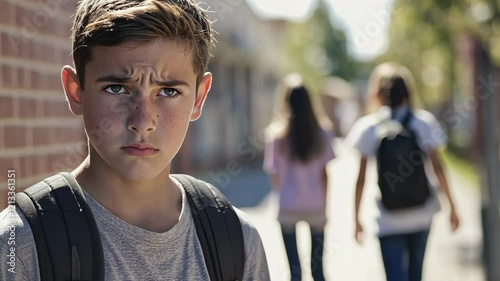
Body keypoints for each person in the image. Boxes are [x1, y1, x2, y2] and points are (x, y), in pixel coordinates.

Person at [0, 0, 270, 280]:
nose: (142, 122)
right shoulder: (19, 245)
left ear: (199, 98)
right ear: (75, 91)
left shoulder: (236, 239)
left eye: (168, 92)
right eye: (117, 88)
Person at [345, 62, 460, 281]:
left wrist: (356, 219)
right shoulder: (423, 122)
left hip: (388, 219)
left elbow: (360, 179)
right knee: (416, 275)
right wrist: (453, 207)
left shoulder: (369, 127)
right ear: (408, 92)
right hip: (422, 214)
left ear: (378, 94)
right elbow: (439, 169)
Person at [264, 74, 335, 281]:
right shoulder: (323, 133)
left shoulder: (277, 137)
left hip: (288, 206)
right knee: (318, 270)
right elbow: (325, 175)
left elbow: (275, 178)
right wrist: (325, 209)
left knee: (294, 272)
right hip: (316, 205)